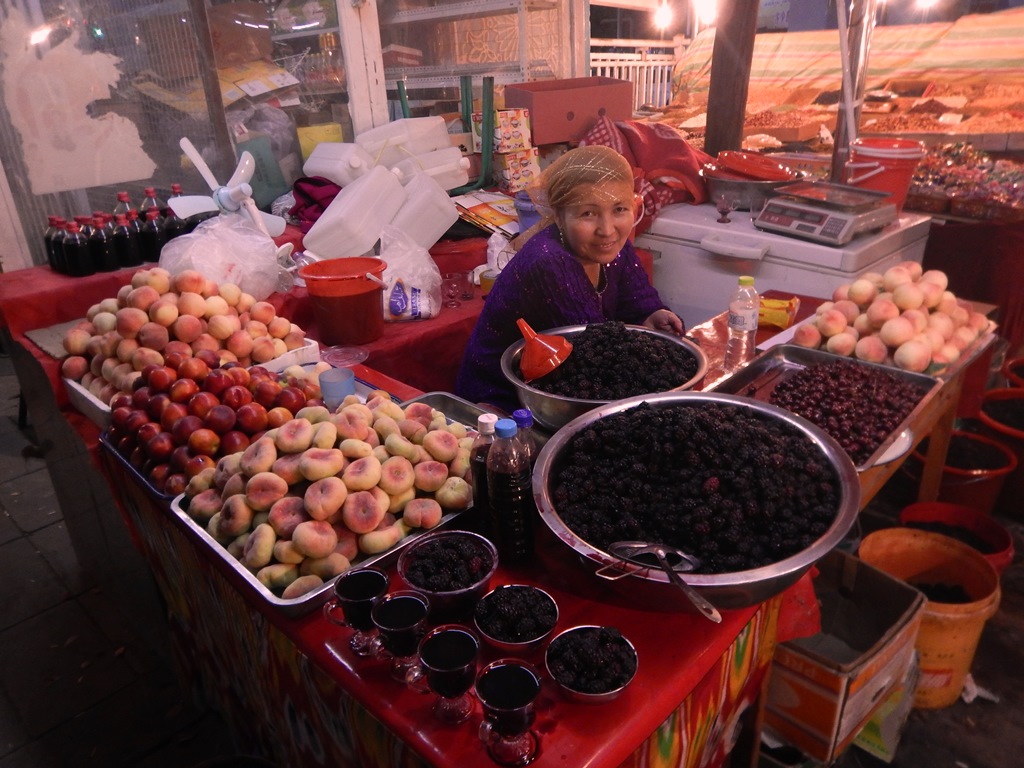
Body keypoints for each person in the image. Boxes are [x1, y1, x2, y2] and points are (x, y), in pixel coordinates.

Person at [455, 145, 685, 413]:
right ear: (560, 217)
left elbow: (637, 299)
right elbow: (593, 356)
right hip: (506, 399)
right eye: (588, 213)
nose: (607, 229)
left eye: (620, 209)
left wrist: (651, 314)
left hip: (562, 385)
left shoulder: (612, 246)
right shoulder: (550, 261)